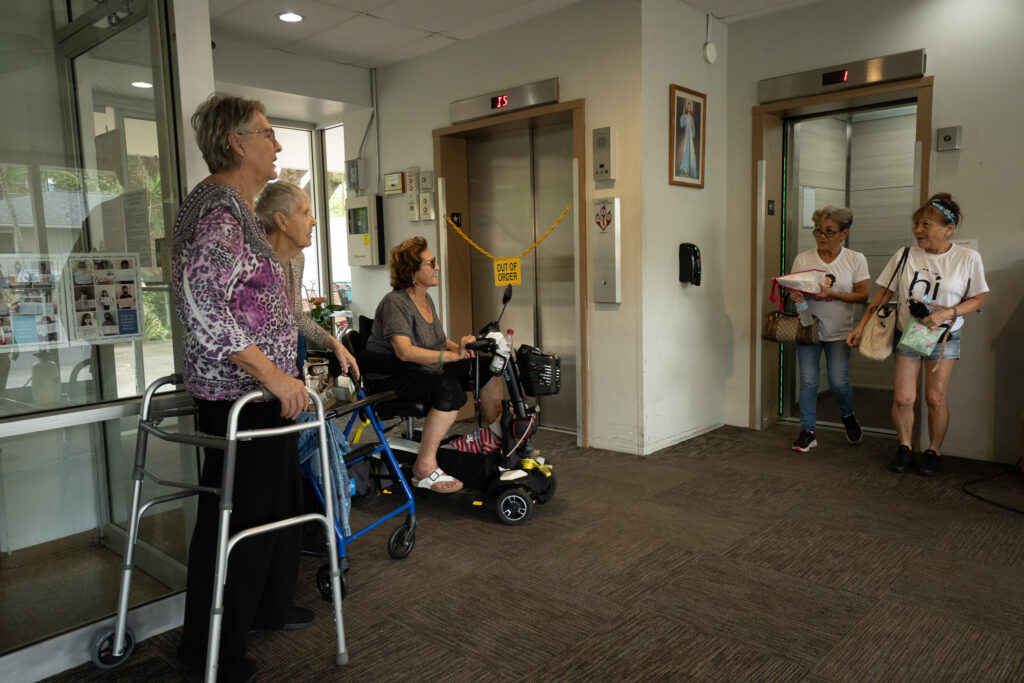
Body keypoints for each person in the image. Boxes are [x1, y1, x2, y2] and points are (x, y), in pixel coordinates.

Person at [171, 93, 310, 683]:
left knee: (272, 514)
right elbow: (202, 300)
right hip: (241, 401)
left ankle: (262, 612)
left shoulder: (232, 207)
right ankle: (213, 657)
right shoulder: (221, 212)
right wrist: (275, 375)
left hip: (254, 399)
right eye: (267, 133)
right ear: (236, 141)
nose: (277, 145)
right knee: (240, 527)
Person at [848, 193, 989, 476]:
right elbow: (883, 293)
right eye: (916, 224)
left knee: (935, 398)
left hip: (943, 335)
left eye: (926, 224)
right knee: (903, 398)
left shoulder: (966, 257)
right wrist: (861, 325)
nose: (918, 230)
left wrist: (945, 314)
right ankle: (904, 447)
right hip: (908, 334)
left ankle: (933, 451)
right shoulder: (905, 255)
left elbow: (978, 299)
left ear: (949, 228)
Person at [362, 237, 503, 493]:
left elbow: (437, 341)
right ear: (412, 272)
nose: (437, 267)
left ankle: (494, 438)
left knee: (486, 368)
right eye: (431, 263)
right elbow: (403, 352)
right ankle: (424, 466)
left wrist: (463, 349)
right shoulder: (395, 303)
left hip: (419, 369)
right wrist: (452, 356)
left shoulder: (426, 299)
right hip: (391, 376)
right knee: (449, 389)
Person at [254, 180, 358, 379]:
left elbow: (295, 315)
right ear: (281, 220)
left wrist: (334, 344)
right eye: (305, 213)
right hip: (257, 375)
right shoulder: (253, 264)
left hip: (286, 365)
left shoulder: (296, 259)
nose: (314, 221)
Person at [789, 206, 870, 452]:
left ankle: (847, 416)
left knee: (837, 382)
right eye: (818, 231)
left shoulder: (855, 259)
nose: (822, 236)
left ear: (844, 233)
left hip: (839, 331)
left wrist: (832, 294)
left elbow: (863, 295)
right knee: (809, 382)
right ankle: (808, 431)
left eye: (829, 232)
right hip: (808, 329)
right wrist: (794, 293)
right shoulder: (803, 258)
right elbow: (795, 288)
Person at [677, 99, 698, 179]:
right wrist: (682, 116)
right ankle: (683, 168)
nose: (689, 107)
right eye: (688, 106)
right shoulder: (684, 116)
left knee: (689, 151)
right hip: (685, 135)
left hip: (689, 137)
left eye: (690, 106)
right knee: (684, 151)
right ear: (686, 107)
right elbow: (681, 125)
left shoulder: (691, 118)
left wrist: (692, 127)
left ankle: (687, 170)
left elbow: (693, 131)